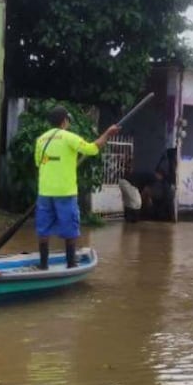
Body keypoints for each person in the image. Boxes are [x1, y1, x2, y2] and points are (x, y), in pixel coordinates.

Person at [34, 106, 119, 269]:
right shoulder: (69, 137)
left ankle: (43, 265)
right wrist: (108, 133)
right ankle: (71, 263)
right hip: (65, 192)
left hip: (44, 192)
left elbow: (39, 163)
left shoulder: (41, 140)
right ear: (64, 121)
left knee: (43, 229)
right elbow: (92, 149)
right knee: (70, 228)